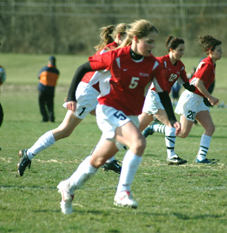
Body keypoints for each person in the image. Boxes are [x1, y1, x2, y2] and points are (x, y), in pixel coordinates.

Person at [56, 19, 181, 214]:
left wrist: (172, 119)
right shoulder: (115, 56)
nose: (153, 46)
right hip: (108, 110)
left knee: (97, 160)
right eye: (149, 41)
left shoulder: (153, 65)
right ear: (136, 39)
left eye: (154, 42)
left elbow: (163, 93)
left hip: (129, 116)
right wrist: (72, 95)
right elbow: (83, 68)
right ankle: (122, 192)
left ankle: (68, 187)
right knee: (138, 143)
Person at [17, 24, 128, 177]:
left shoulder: (120, 51)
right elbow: (85, 70)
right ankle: (28, 154)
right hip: (89, 93)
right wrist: (73, 95)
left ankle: (108, 158)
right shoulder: (111, 51)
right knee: (65, 130)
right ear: (119, 36)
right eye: (128, 37)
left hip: (93, 94)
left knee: (117, 123)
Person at [139, 36, 197, 165]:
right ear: (171, 49)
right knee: (171, 125)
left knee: (136, 127)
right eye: (180, 50)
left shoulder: (180, 66)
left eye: (183, 50)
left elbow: (186, 84)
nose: (182, 53)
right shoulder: (160, 62)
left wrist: (199, 89)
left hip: (163, 99)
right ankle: (171, 156)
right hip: (154, 96)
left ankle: (103, 151)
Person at [38, 56, 60, 122]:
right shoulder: (57, 71)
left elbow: (38, 76)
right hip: (51, 90)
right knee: (50, 105)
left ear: (49, 61)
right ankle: (51, 118)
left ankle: (45, 118)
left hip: (43, 89)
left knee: (41, 104)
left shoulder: (44, 69)